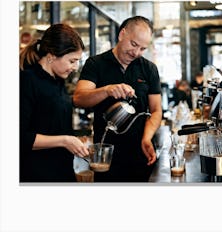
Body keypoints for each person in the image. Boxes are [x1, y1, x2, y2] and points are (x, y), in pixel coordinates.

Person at [73, 16, 162, 182]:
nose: (136, 53)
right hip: (105, 156)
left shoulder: (149, 69)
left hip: (140, 153)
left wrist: (147, 137)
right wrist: (106, 90)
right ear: (122, 34)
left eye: (142, 48)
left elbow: (156, 110)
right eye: (134, 44)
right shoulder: (96, 64)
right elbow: (78, 98)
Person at [20, 23, 89, 182]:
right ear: (51, 56)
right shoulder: (26, 81)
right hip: (37, 175)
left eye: (77, 61)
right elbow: (20, 137)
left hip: (62, 171)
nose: (75, 67)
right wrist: (64, 141)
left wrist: (76, 144)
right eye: (72, 61)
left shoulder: (58, 81)